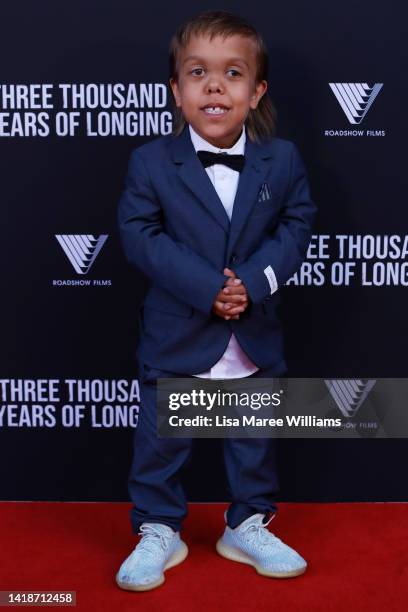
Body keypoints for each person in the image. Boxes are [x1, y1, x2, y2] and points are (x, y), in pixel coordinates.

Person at [116, 9, 317, 591]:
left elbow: (298, 226)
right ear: (176, 90)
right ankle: (158, 528)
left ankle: (247, 522)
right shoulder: (151, 162)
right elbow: (140, 236)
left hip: (251, 329)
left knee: (253, 442)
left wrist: (250, 285)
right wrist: (209, 290)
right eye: (197, 72)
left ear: (255, 93)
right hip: (179, 328)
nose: (213, 85)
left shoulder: (282, 161)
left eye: (232, 73)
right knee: (163, 443)